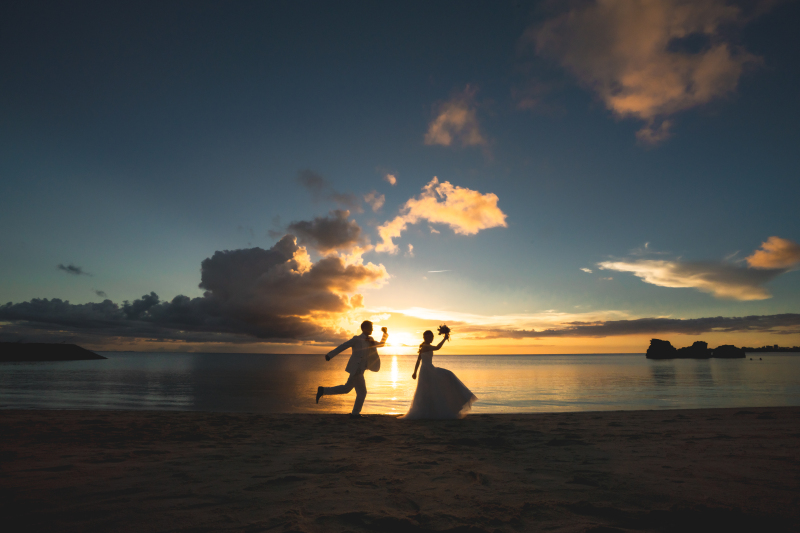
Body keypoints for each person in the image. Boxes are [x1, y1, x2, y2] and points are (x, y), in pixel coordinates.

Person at [316, 320, 388, 418]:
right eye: (370, 327)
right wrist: (330, 355)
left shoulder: (370, 340)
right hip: (356, 370)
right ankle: (355, 414)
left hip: (360, 370)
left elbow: (381, 344)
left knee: (346, 389)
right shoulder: (357, 339)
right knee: (362, 393)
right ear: (364, 328)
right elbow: (343, 346)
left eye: (372, 327)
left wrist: (384, 333)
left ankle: (323, 390)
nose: (372, 329)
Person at [400, 329, 477, 420]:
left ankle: (434, 410)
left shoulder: (425, 346)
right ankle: (426, 411)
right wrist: (445, 339)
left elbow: (418, 360)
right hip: (426, 371)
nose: (429, 338)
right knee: (426, 390)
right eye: (427, 337)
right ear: (424, 338)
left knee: (436, 386)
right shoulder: (425, 346)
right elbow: (435, 349)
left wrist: (415, 372)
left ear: (432, 337)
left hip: (428, 369)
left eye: (430, 337)